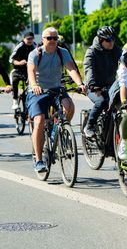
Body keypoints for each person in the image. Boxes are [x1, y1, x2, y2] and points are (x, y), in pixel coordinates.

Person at [27, 27, 86, 172]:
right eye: (49, 38)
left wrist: (80, 84)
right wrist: (34, 85)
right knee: (39, 120)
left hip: (56, 89)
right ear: (43, 39)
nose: (53, 41)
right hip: (38, 91)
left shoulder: (62, 52)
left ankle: (58, 133)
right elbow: (31, 71)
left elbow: (71, 69)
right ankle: (39, 160)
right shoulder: (35, 53)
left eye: (55, 38)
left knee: (69, 107)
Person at [82, 26, 122, 138]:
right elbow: (89, 68)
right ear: (100, 40)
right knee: (101, 102)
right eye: (108, 40)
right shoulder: (92, 51)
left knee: (122, 103)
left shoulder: (116, 51)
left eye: (113, 39)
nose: (111, 42)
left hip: (110, 86)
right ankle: (89, 126)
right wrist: (93, 85)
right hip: (93, 86)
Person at [9, 31, 36, 109]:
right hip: (17, 70)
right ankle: (15, 99)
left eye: (31, 39)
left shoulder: (35, 47)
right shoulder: (20, 46)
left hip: (29, 71)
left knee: (32, 84)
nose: (30, 40)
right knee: (14, 81)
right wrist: (19, 63)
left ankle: (30, 100)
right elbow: (11, 59)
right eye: (28, 39)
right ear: (24, 39)